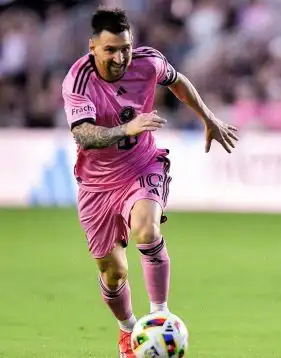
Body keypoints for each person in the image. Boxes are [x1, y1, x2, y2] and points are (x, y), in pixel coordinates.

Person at [61, 7, 238, 357]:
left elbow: (177, 81)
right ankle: (128, 329)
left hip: (142, 165)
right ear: (93, 47)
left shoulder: (148, 62)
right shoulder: (78, 80)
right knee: (113, 274)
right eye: (111, 49)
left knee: (147, 230)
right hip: (96, 185)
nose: (120, 57)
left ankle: (160, 315)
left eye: (125, 47)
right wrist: (127, 128)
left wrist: (208, 117)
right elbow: (84, 134)